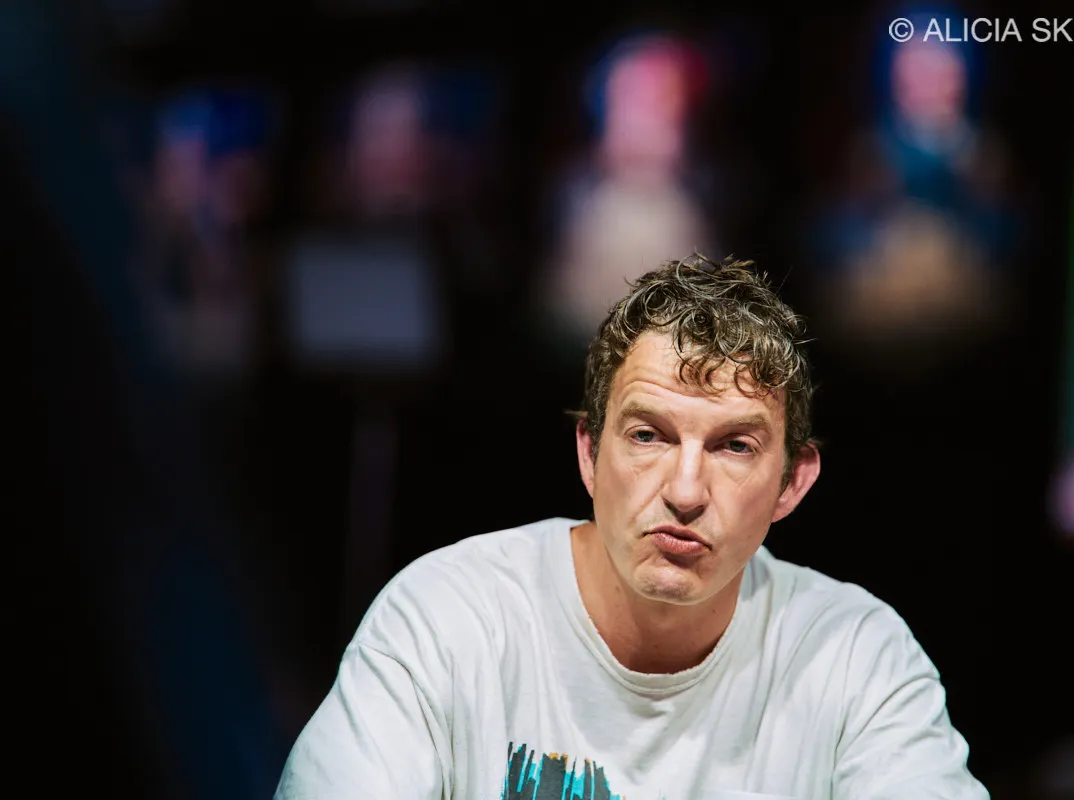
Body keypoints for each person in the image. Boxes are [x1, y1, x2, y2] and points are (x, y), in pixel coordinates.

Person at [274, 253, 988, 799]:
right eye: (648, 436)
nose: (685, 491)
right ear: (589, 453)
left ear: (792, 482)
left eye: (735, 447)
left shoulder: (856, 657)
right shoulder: (447, 620)